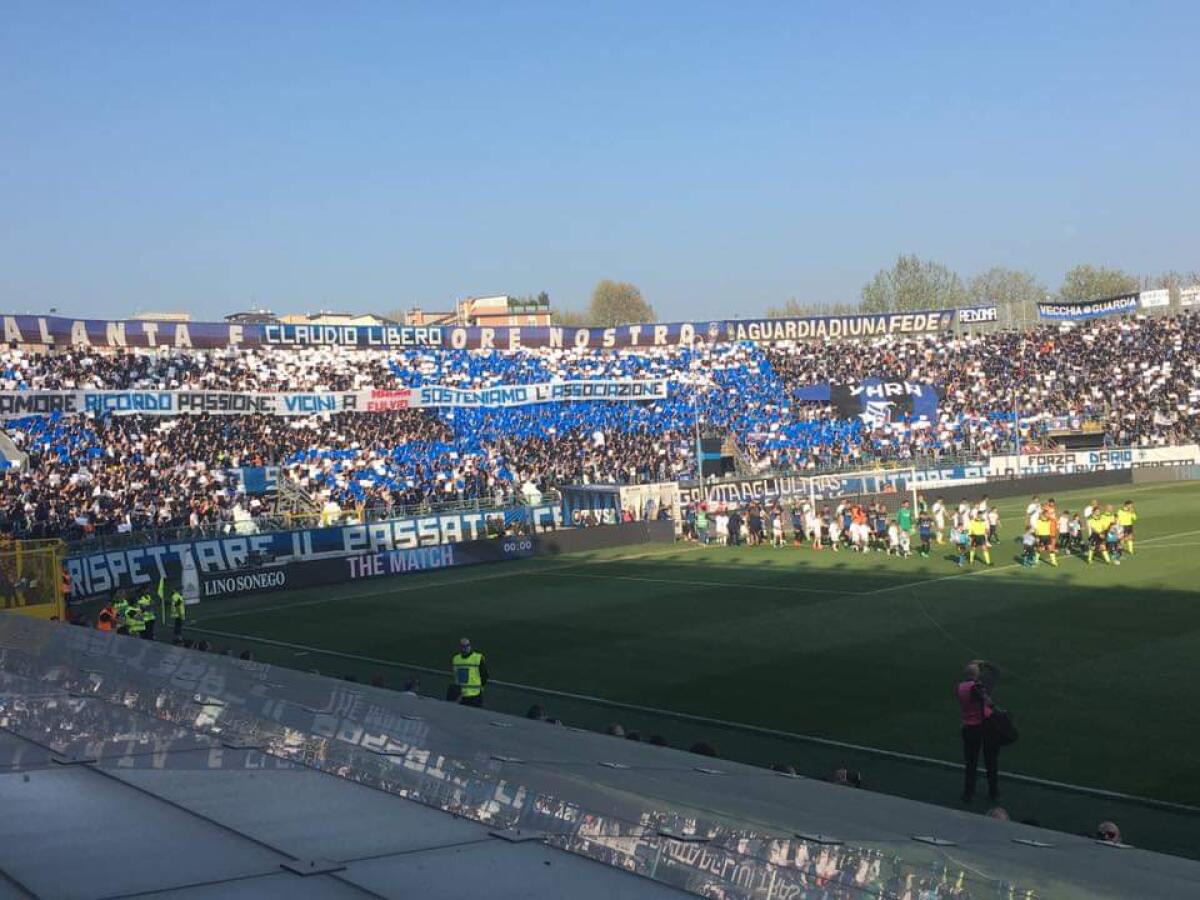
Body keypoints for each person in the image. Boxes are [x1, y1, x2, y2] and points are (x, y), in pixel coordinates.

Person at [958, 660, 1001, 803]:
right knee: (991, 761)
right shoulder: (977, 688)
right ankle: (993, 792)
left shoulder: (961, 687)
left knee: (971, 763)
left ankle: (968, 793)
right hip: (985, 727)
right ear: (977, 675)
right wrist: (986, 663)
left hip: (969, 728)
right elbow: (996, 673)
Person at [451, 638, 489, 708]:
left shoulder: (478, 658)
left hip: (475, 695)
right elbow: (456, 676)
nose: (465, 648)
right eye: (463, 646)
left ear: (470, 646)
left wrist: (481, 687)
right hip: (461, 695)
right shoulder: (456, 659)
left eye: (467, 646)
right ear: (460, 647)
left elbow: (485, 675)